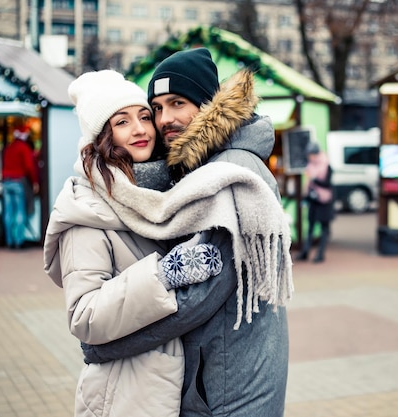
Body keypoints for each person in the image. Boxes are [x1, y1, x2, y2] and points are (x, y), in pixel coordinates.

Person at [79, 48, 294, 417]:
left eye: (177, 103)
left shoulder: (231, 176)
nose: (165, 119)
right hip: (215, 378)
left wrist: (104, 347)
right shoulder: (200, 172)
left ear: (208, 104)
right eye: (157, 108)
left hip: (230, 391)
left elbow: (196, 299)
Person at [43, 69, 226, 417]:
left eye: (144, 116)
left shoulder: (161, 195)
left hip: (178, 387)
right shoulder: (86, 208)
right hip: (125, 391)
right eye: (122, 122)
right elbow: (85, 315)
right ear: (102, 136)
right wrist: (163, 275)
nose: (141, 129)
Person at [296, 141, 335, 263]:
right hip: (313, 199)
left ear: (315, 154)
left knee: (324, 229)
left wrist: (314, 180)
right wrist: (305, 198)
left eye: (310, 154)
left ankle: (320, 254)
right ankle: (305, 252)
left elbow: (327, 183)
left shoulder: (326, 165)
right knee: (310, 227)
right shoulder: (310, 166)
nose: (309, 157)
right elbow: (308, 184)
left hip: (324, 201)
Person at [1, 125, 39, 249]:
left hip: (6, 182)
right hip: (18, 182)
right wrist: (35, 182)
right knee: (19, 212)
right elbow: (29, 167)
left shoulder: (8, 148)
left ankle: (9, 241)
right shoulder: (24, 148)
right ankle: (18, 241)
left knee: (8, 212)